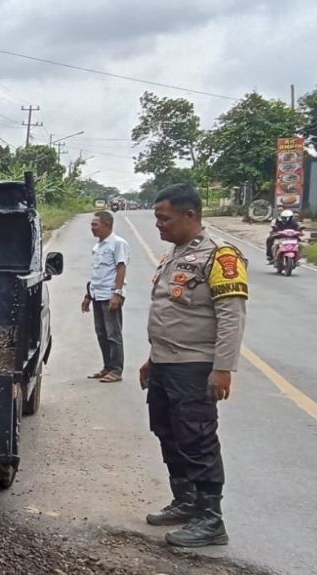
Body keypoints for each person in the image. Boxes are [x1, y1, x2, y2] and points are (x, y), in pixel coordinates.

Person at [141, 184, 247, 547]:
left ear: (191, 215)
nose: (159, 225)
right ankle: (185, 501)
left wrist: (223, 368)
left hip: (194, 365)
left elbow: (231, 316)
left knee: (197, 439)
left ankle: (210, 518)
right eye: (157, 219)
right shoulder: (175, 253)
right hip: (165, 363)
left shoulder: (219, 256)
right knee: (167, 431)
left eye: (164, 219)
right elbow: (169, 311)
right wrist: (152, 358)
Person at [80, 211, 129, 383]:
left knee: (113, 334)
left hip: (110, 295)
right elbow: (97, 273)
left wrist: (117, 293)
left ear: (107, 225)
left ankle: (116, 370)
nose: (92, 228)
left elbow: (121, 268)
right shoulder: (98, 247)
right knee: (101, 333)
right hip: (97, 294)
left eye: (95, 225)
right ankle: (107, 366)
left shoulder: (118, 244)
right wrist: (88, 295)